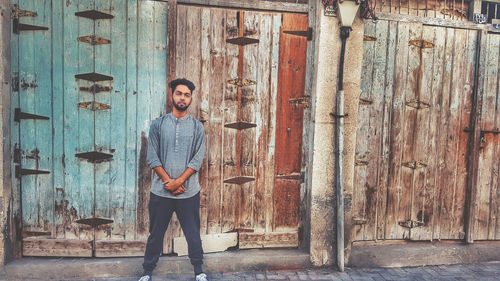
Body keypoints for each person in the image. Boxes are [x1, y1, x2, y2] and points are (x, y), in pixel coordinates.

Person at [139, 78, 208, 281]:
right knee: (156, 235)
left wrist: (179, 182)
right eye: (179, 93)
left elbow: (197, 159)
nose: (182, 98)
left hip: (189, 191)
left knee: (193, 234)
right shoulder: (158, 125)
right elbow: (152, 157)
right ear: (172, 95)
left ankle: (199, 271)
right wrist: (169, 181)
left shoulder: (197, 127)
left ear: (191, 99)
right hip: (161, 191)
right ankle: (147, 272)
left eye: (187, 95)